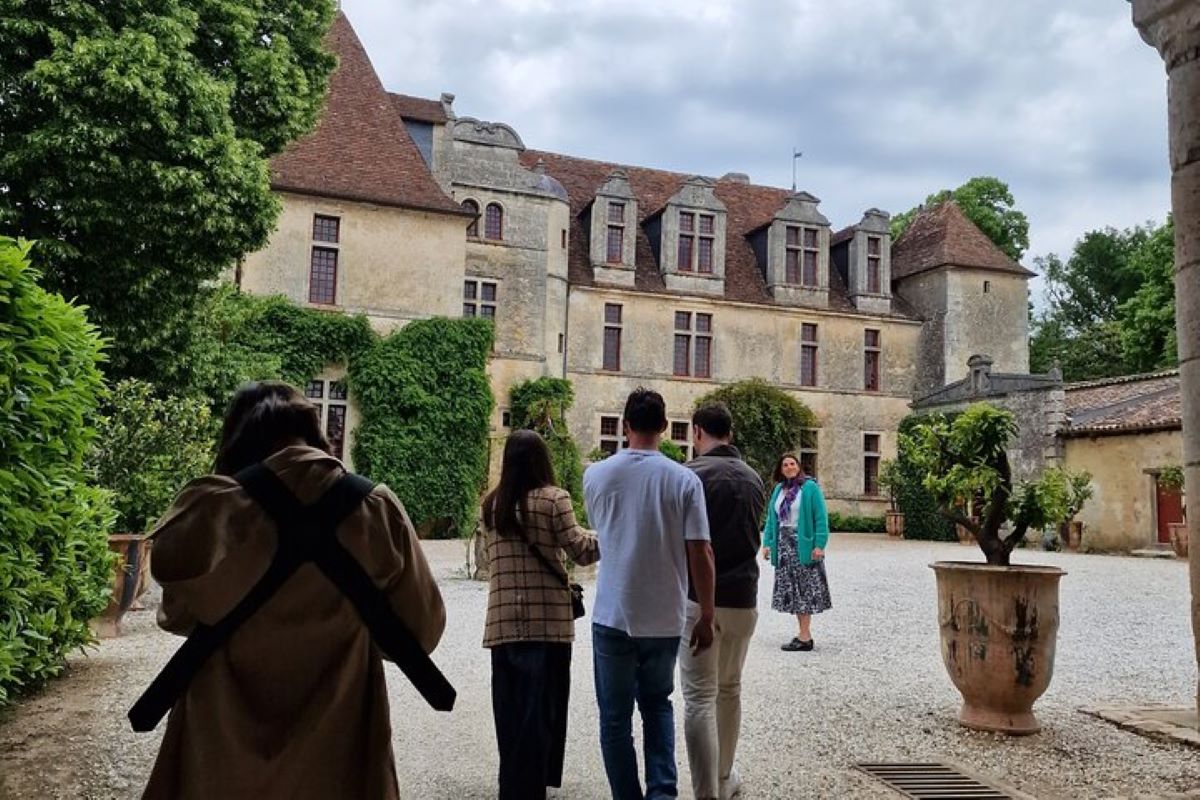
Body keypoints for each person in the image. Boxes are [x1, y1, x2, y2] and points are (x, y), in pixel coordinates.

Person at [141, 381, 446, 800]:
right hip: (339, 755)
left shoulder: (212, 509)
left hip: (218, 754)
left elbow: (176, 616)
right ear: (314, 433)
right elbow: (422, 632)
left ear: (235, 438)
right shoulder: (375, 508)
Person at [584, 388, 716, 800]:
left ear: (625, 426)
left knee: (614, 719)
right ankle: (663, 793)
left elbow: (604, 532)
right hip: (663, 615)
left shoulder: (596, 475)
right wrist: (707, 613)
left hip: (613, 614)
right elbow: (701, 551)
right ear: (664, 427)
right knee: (658, 704)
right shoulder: (684, 480)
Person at [481, 429, 600, 800]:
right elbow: (581, 551)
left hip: (502, 623)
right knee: (543, 708)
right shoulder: (554, 499)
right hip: (548, 622)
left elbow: (489, 561)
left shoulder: (491, 505)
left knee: (510, 708)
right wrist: (612, 532)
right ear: (542, 460)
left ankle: (513, 783)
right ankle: (532, 786)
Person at [680, 403, 766, 800]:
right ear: (729, 433)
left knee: (699, 696)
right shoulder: (753, 478)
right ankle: (723, 776)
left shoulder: (690, 476)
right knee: (730, 689)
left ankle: (705, 793)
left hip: (700, 600)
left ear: (698, 432)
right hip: (743, 599)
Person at [761, 453, 831, 651]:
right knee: (792, 591)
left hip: (803, 545)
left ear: (799, 467)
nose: (789, 467)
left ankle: (805, 636)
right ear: (781, 469)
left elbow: (821, 518)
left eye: (792, 464)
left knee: (805, 590)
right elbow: (771, 520)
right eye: (785, 465)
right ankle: (802, 633)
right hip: (784, 546)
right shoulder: (779, 490)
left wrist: (819, 545)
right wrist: (767, 544)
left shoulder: (810, 488)